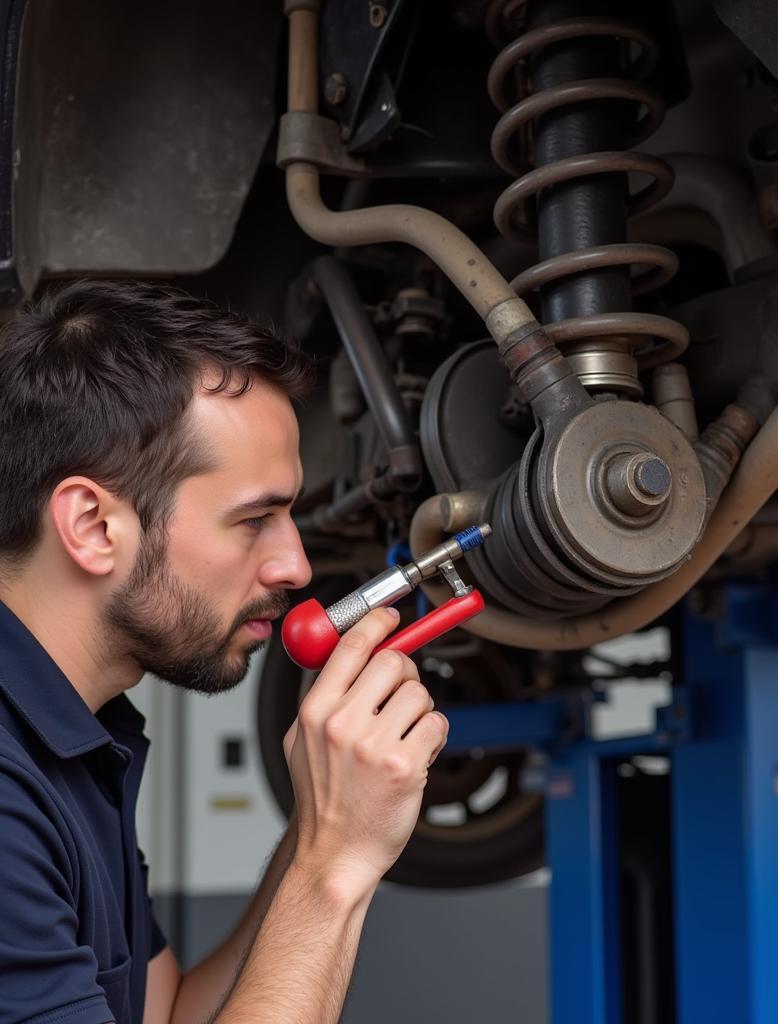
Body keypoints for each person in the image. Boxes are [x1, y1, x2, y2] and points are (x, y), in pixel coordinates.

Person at [0, 279, 448, 1024]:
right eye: (254, 519)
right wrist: (332, 867)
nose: (296, 567)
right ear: (93, 526)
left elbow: (167, 1014)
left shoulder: (83, 741)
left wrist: (323, 819)